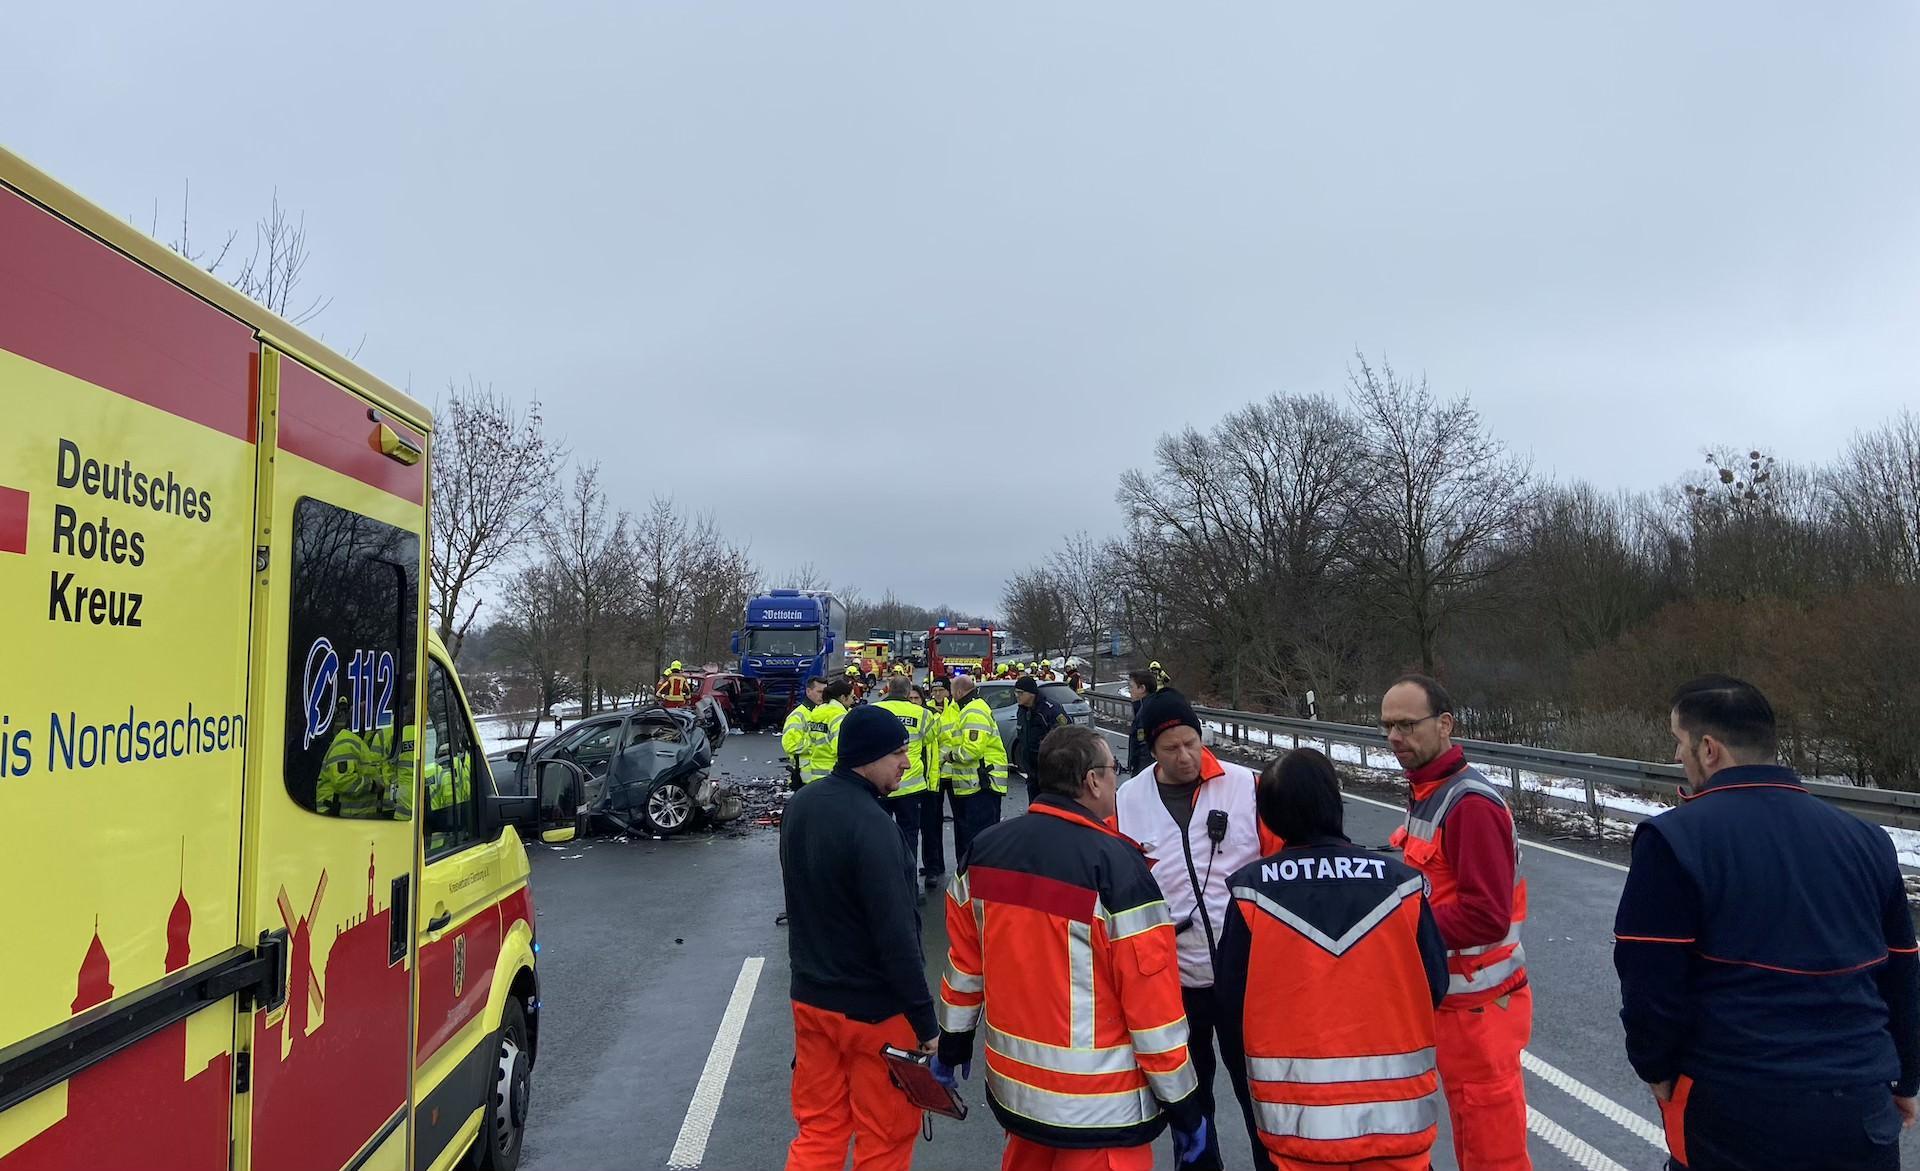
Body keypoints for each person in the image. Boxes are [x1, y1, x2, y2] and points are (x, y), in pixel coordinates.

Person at [1613, 675, 1919, 1171]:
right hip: (1857, 1104)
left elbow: (1649, 978)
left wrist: (1656, 1069)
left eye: (1678, 742)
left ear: (1709, 749)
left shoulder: (1674, 839)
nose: (1676, 757)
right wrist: (1906, 1078)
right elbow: (1902, 970)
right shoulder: (1866, 840)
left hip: (1735, 1105)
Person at [936, 725, 1212, 1171]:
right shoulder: (1118, 869)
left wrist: (952, 1045)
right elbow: (1152, 1011)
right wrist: (1184, 1105)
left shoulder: (983, 852)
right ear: (1092, 781)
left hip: (1018, 1096)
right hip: (1100, 1111)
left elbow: (965, 968)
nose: (1117, 782)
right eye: (1113, 771)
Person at [1217, 748, 1448, 1171]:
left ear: (1267, 816)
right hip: (1397, 1129)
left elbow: (1231, 1010)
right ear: (1334, 803)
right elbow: (1435, 983)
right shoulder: (1403, 885)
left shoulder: (1250, 894)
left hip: (1295, 1132)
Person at [1114, 688, 1278, 1171]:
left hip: (1245, 978)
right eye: (1172, 748)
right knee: (1189, 1100)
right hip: (1171, 981)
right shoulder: (1128, 801)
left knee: (1260, 1098)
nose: (1186, 756)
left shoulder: (1247, 786)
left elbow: (1277, 865)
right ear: (1152, 750)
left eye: (1192, 742)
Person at [1381, 674, 1531, 1171]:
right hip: (1454, 1002)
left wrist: (1396, 926)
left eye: (1406, 725)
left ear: (1445, 724)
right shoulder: (1428, 789)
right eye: (1387, 727)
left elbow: (1486, 915)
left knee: (1493, 1150)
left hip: (1481, 1010)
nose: (1395, 738)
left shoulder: (1468, 803)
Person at [780, 704, 933, 1171]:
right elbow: (896, 935)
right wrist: (925, 1025)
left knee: (820, 1126)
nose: (907, 764)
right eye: (899, 753)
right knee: (885, 1136)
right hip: (876, 1013)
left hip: (812, 1000)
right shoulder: (874, 827)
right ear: (869, 757)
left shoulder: (801, 806)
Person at [874, 676, 936, 893]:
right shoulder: (922, 714)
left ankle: (883, 885)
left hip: (880, 785)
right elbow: (930, 739)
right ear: (908, 691)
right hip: (910, 785)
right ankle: (909, 886)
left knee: (880, 837)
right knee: (909, 837)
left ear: (889, 689)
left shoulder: (876, 711)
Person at [940, 673, 1008, 865]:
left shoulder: (973, 711)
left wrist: (949, 757)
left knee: (980, 838)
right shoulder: (971, 709)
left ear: (959, 691)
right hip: (974, 784)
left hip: (981, 784)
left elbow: (972, 750)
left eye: (952, 692)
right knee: (973, 836)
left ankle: (979, 880)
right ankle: (970, 877)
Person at [1013, 676, 1070, 804]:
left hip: (1049, 773)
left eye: (1020, 693)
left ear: (1031, 693)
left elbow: (1065, 734)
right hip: (1032, 772)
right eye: (1015, 692)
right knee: (1034, 808)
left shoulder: (1049, 710)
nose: (1017, 696)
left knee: (1051, 809)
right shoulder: (1022, 711)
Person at [803, 679, 856, 785]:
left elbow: (808, 741)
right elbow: (840, 748)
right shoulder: (839, 716)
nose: (853, 701)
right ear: (843, 697)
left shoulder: (817, 711)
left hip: (814, 772)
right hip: (833, 773)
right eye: (851, 697)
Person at [781, 677, 826, 790]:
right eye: (819, 692)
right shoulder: (797, 716)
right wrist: (818, 745)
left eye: (825, 692)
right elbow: (791, 745)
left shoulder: (824, 713)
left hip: (822, 777)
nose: (823, 695)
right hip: (805, 778)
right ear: (808, 691)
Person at [1125, 669, 1161, 776]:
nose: (1129, 691)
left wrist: (1139, 776)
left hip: (1145, 773)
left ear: (1142, 688)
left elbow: (1144, 748)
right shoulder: (1144, 707)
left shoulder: (1147, 712)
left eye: (1131, 687)